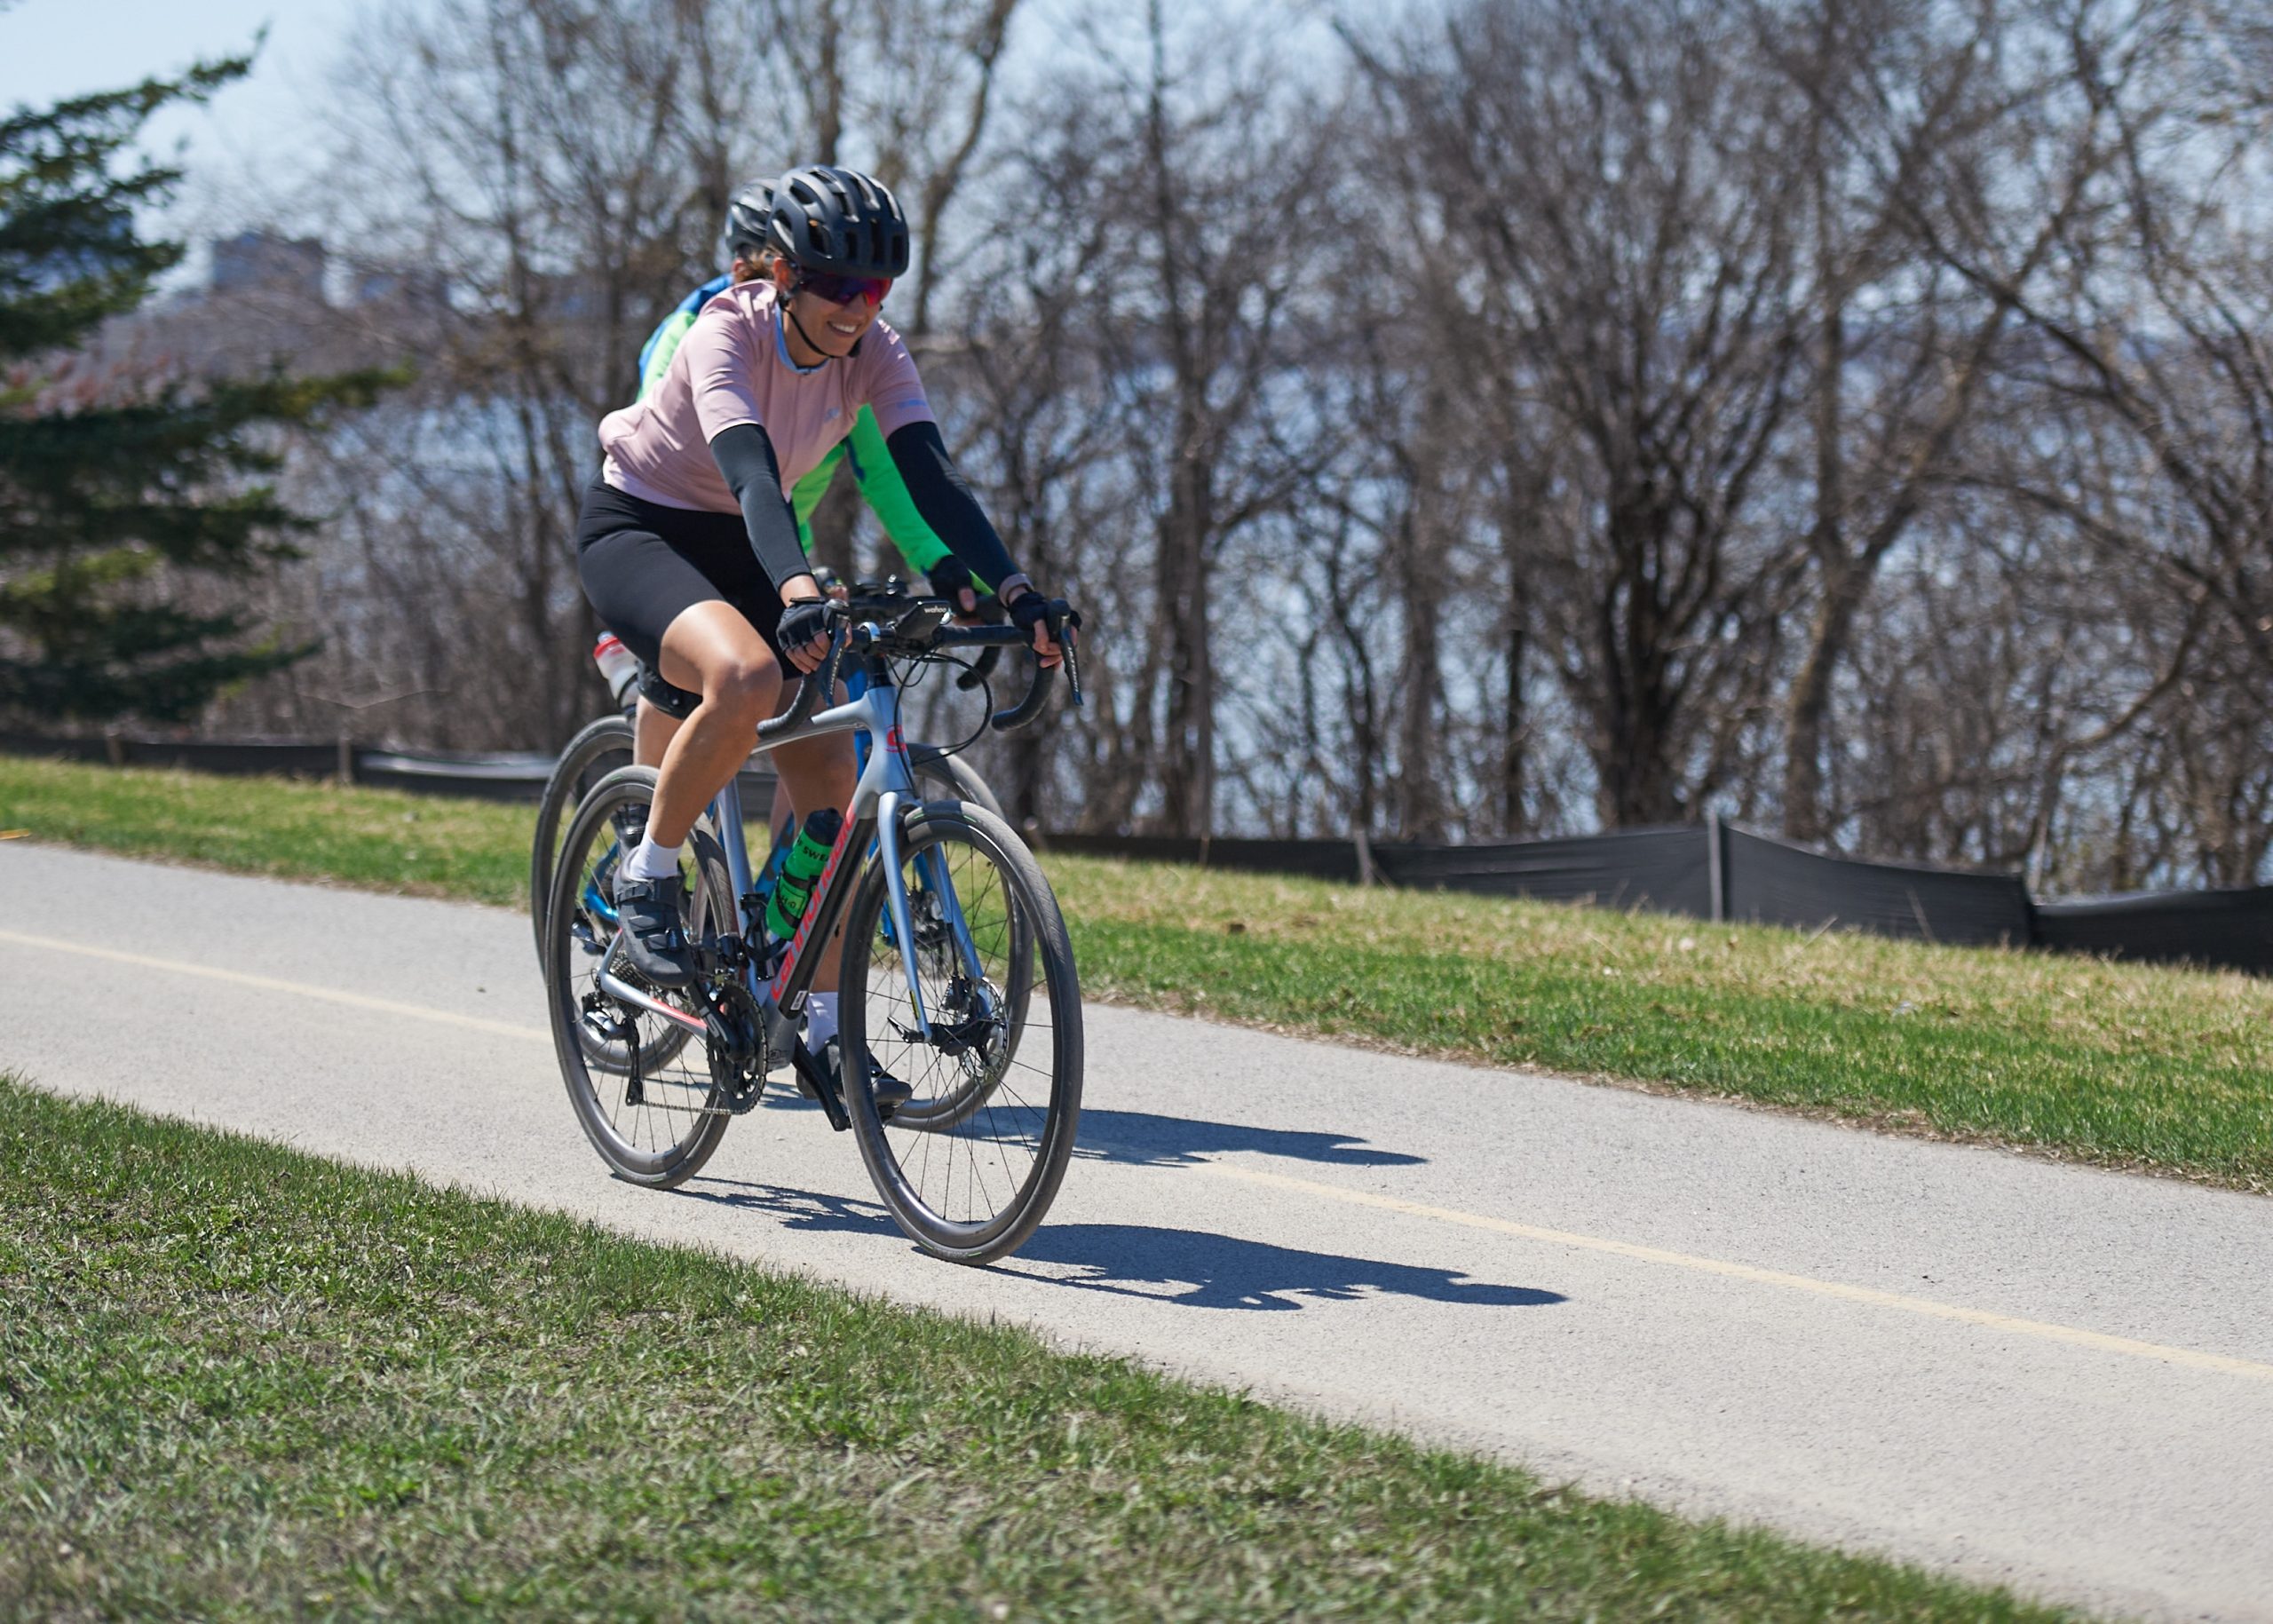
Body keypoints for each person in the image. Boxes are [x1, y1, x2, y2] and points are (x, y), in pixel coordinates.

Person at [574, 163, 1069, 1103]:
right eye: (839, 285)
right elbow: (755, 475)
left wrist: (1011, 584)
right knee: (749, 678)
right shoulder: (725, 328)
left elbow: (927, 475)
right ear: (786, 276)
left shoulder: (876, 350)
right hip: (646, 524)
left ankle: (827, 1033)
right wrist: (797, 584)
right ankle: (649, 872)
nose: (858, 307)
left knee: (835, 784)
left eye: (875, 289)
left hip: (753, 545)